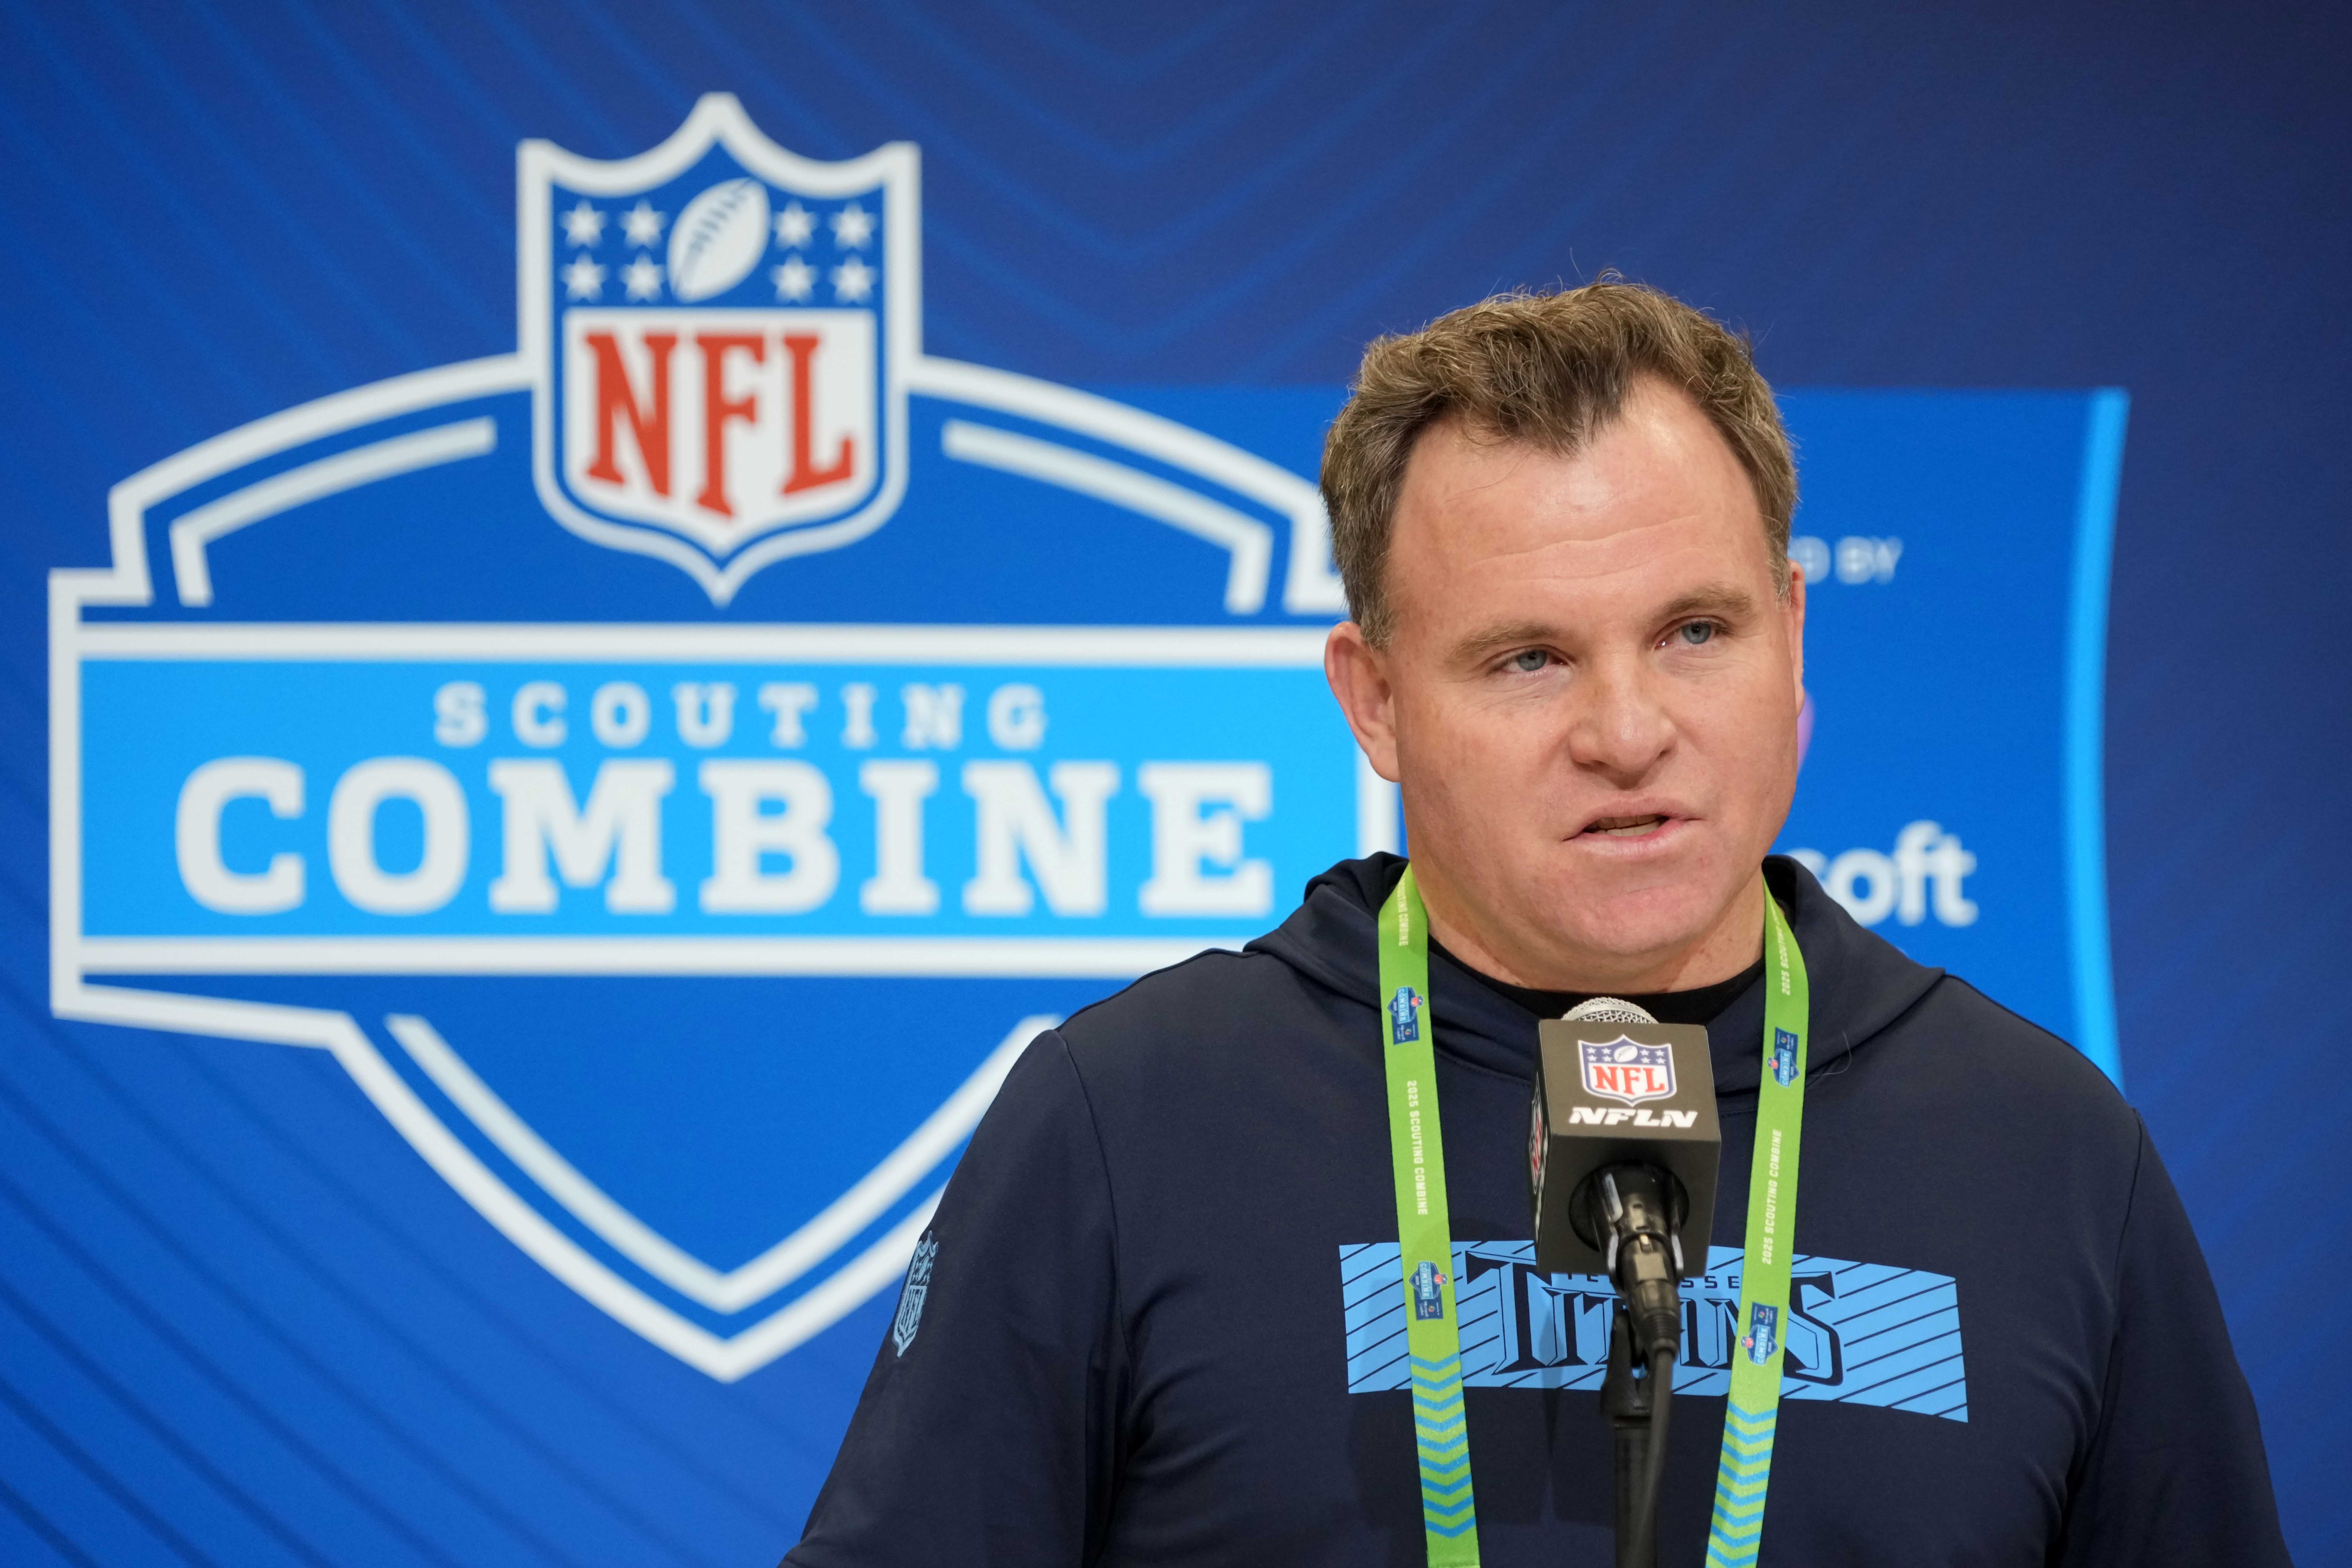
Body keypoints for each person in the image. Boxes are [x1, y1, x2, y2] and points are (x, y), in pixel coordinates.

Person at [783, 283, 2288, 1565]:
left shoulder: (2052, 1153)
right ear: (1374, 701)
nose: (1629, 730)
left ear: (1797, 634)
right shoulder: (1129, 1121)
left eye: (1697, 632)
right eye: (1527, 659)